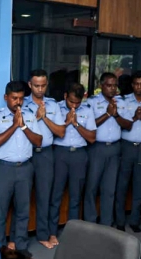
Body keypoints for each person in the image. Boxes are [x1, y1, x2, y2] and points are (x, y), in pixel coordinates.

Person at [0, 81, 42, 257]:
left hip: (25, 168)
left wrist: (23, 126)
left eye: (21, 98)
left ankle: (20, 244)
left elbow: (38, 141)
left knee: (22, 210)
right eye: (14, 98)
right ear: (6, 97)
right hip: (4, 168)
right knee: (0, 211)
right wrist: (14, 125)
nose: (18, 102)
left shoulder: (29, 115)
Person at [49, 83, 96, 245]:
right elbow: (51, 132)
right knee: (56, 195)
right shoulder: (55, 108)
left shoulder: (87, 110)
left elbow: (92, 138)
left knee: (76, 197)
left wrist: (76, 123)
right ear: (65, 96)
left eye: (77, 102)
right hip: (60, 154)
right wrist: (66, 122)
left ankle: (73, 234)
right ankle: (52, 233)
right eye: (71, 102)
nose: (74, 106)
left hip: (79, 155)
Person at [23, 69, 65, 249]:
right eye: (36, 86)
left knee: (44, 196)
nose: (40, 89)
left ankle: (43, 234)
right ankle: (19, 238)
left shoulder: (53, 105)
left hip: (46, 154)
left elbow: (61, 132)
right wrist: (35, 117)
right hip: (26, 154)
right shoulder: (21, 102)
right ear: (30, 85)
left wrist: (44, 117)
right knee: (22, 198)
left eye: (43, 85)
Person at [84, 72, 132, 226]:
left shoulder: (121, 102)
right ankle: (90, 223)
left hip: (114, 149)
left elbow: (128, 125)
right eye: (109, 85)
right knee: (92, 187)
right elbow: (89, 126)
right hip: (96, 148)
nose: (112, 89)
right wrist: (107, 114)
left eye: (115, 85)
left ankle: (106, 223)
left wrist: (116, 115)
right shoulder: (92, 102)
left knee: (109, 189)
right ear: (101, 85)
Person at [115, 71, 141, 233]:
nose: (139, 87)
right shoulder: (123, 101)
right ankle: (119, 221)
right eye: (136, 84)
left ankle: (134, 220)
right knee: (122, 185)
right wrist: (134, 118)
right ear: (132, 85)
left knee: (140, 186)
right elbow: (123, 124)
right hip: (126, 146)